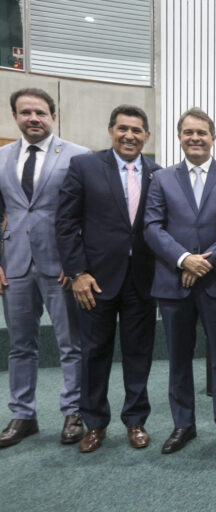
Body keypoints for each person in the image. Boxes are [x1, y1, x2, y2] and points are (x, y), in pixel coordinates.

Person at [144, 108, 216, 454]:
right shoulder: (161, 179)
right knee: (178, 358)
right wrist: (183, 259)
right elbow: (152, 227)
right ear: (179, 137)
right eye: (188, 132)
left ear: (213, 138)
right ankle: (183, 425)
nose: (195, 138)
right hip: (173, 282)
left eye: (201, 133)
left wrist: (204, 262)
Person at [56, 105, 161, 453]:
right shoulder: (84, 167)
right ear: (111, 130)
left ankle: (136, 421)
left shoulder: (157, 174)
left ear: (146, 135)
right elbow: (66, 223)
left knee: (139, 353)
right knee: (93, 353)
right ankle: (95, 424)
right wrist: (77, 273)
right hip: (94, 280)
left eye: (136, 130)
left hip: (142, 280)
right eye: (123, 129)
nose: (129, 135)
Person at [0, 88, 88, 448]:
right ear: (15, 116)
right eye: (25, 112)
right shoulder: (1, 157)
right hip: (14, 264)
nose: (33, 118)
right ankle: (23, 415)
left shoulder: (78, 156)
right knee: (20, 346)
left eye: (40, 112)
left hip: (61, 266)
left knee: (71, 344)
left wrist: (77, 262)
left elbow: (88, 215)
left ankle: (74, 412)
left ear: (53, 116)